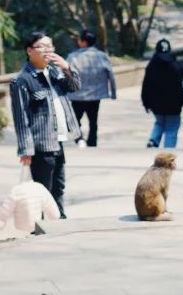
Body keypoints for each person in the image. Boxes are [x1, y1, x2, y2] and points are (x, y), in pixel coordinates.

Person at [10, 32, 81, 218]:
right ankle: (41, 227)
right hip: (41, 144)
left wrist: (67, 67)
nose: (47, 50)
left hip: (58, 140)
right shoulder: (22, 81)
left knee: (58, 186)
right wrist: (26, 149)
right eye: (42, 46)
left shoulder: (56, 72)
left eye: (50, 46)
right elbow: (20, 118)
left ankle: (60, 222)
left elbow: (75, 86)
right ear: (29, 51)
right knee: (42, 190)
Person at [65, 28, 117, 148]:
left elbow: (66, 74)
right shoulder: (102, 56)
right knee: (93, 121)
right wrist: (113, 93)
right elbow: (111, 75)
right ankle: (92, 143)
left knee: (74, 120)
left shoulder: (73, 57)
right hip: (95, 95)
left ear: (83, 42)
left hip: (77, 95)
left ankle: (79, 139)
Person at [141, 39, 183, 149]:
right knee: (172, 127)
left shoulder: (151, 66)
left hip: (156, 104)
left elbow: (146, 86)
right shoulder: (176, 66)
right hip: (174, 104)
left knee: (159, 122)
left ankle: (153, 140)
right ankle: (168, 149)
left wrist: (146, 102)